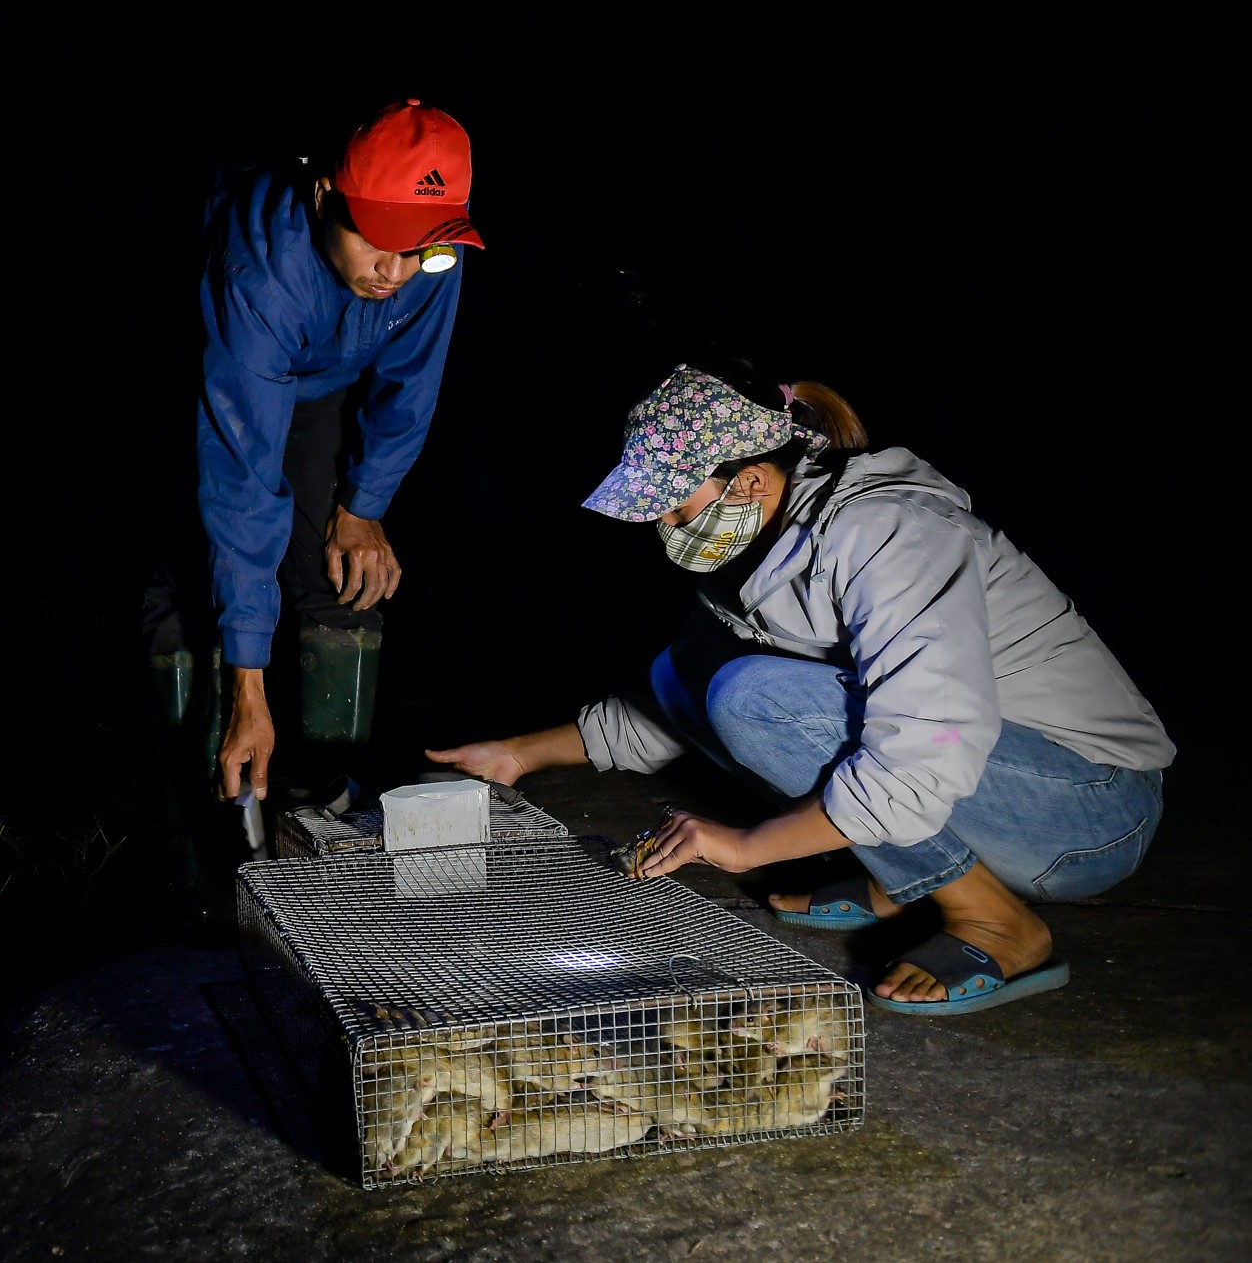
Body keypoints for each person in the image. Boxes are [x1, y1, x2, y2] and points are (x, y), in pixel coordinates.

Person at [425, 359, 1174, 1015]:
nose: (659, 522)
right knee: (717, 683)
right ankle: (905, 877)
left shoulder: (889, 533)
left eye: (673, 502)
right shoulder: (753, 555)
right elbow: (671, 702)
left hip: (1089, 811)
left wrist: (750, 846)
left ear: (750, 480)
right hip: (988, 782)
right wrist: (518, 755)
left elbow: (925, 755)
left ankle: (993, 920)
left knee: (753, 699)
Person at [147, 97, 485, 841]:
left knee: (342, 570)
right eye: (377, 243)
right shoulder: (261, 274)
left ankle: (328, 805)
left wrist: (362, 505)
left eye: (418, 248)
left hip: (319, 380)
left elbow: (411, 384)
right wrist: (248, 685)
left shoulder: (436, 251)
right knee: (189, 576)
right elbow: (243, 484)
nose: (396, 271)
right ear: (327, 196)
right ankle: (195, 839)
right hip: (219, 370)